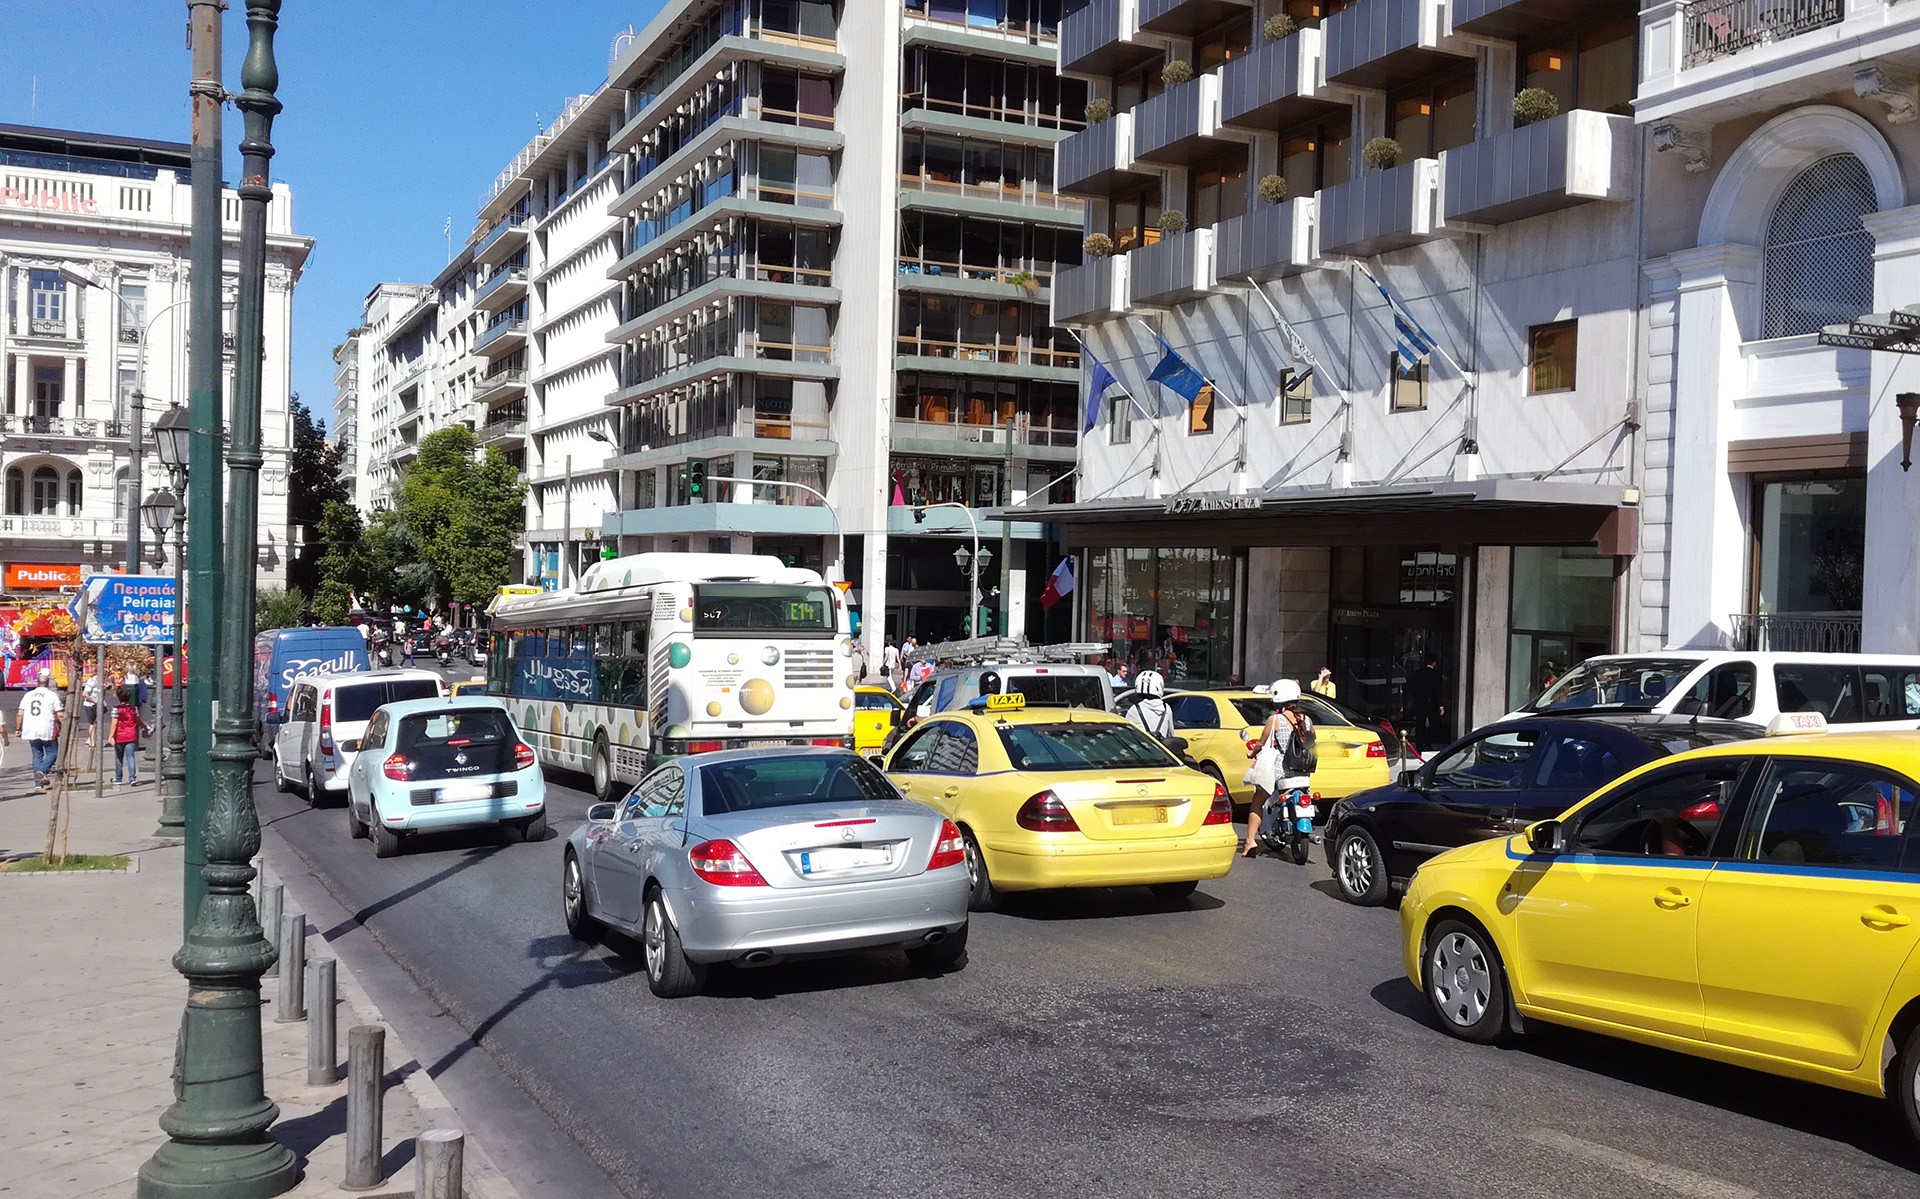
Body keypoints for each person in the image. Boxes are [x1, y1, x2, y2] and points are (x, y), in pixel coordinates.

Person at [1244, 679, 1314, 857]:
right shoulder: (1307, 720)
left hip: (1280, 771)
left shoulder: (1274, 719)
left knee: (1257, 801)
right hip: (1302, 772)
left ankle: (1250, 841)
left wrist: (1252, 753)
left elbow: (1261, 743)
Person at [18, 668, 61, 792]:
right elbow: (60, 714)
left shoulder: (28, 695)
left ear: (37, 682)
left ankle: (38, 784)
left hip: (30, 729)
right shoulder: (52, 695)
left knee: (37, 755)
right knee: (52, 753)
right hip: (47, 728)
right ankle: (43, 770)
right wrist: (65, 726)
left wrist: (18, 728)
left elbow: (20, 713)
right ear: (48, 683)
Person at [109, 685, 150, 786]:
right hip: (131, 735)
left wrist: (111, 736)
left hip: (119, 736)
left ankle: (118, 777)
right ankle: (132, 778)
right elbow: (138, 721)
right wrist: (144, 727)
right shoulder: (133, 708)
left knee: (119, 757)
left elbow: (114, 723)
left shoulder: (116, 709)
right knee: (130, 757)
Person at [1408, 651, 1446, 753]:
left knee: (1420, 725)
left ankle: (1419, 745)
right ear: (1434, 663)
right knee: (1434, 724)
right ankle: (1427, 743)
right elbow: (1438, 691)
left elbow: (1412, 688)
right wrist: (1441, 706)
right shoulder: (1435, 675)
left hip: (1419, 703)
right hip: (1431, 704)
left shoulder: (1417, 673)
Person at [1126, 670, 1175, 745]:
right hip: (1161, 751)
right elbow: (1171, 735)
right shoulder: (1166, 708)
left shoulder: (1134, 710)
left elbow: (1127, 737)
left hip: (1141, 751)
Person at [81, 668, 101, 749]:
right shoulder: (92, 681)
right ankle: (92, 742)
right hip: (90, 705)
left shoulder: (101, 680)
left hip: (97, 704)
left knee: (95, 723)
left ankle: (89, 740)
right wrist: (94, 700)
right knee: (93, 723)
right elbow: (85, 693)